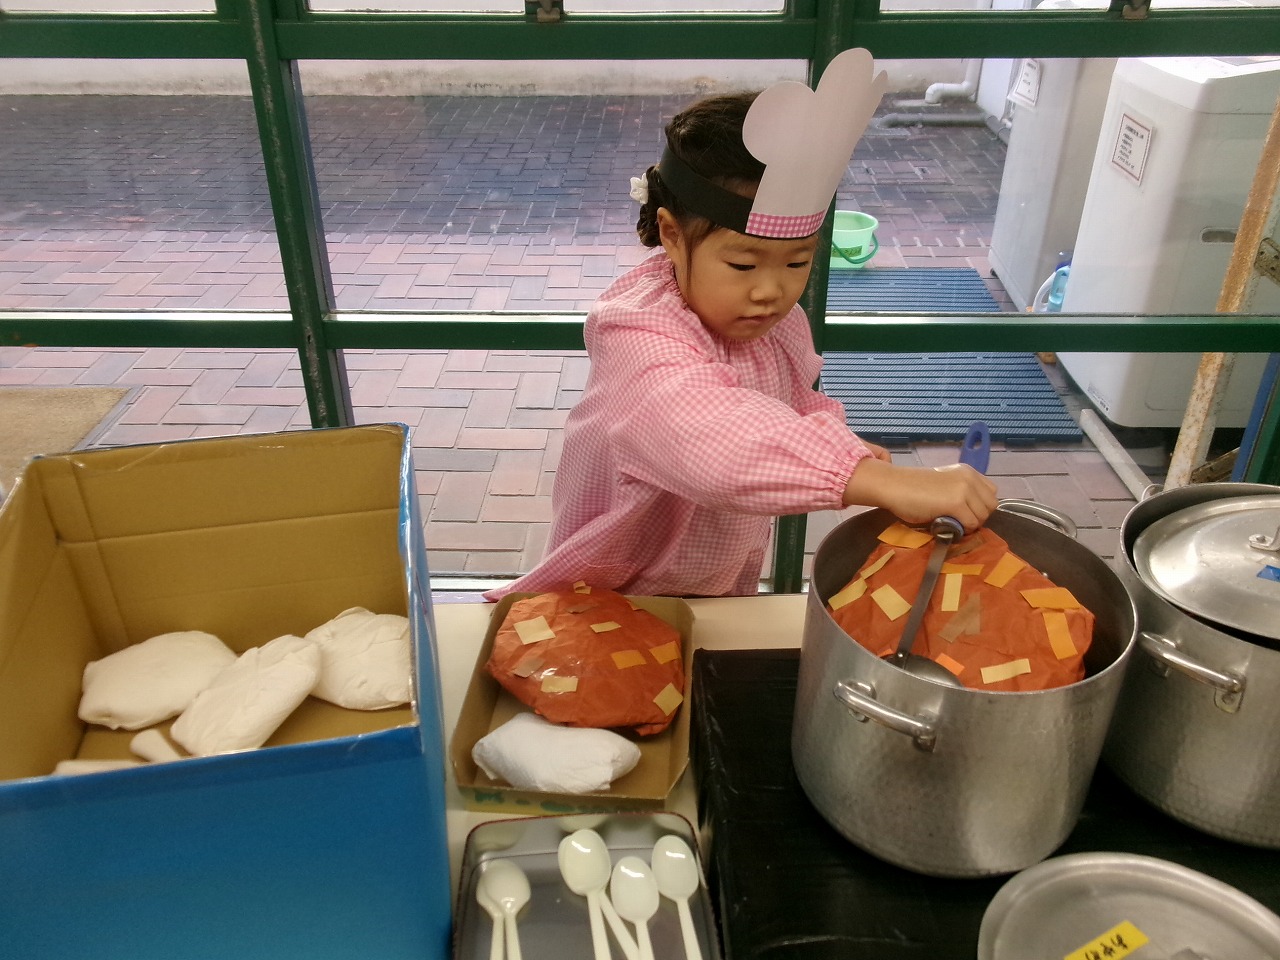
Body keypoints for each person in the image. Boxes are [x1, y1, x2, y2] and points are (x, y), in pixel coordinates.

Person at [486, 60, 996, 601]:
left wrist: (843, 445)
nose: (770, 291)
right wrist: (875, 480)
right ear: (672, 235)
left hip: (716, 573)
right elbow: (707, 431)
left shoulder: (774, 323)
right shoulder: (636, 331)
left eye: (797, 262)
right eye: (744, 264)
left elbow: (789, 400)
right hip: (618, 589)